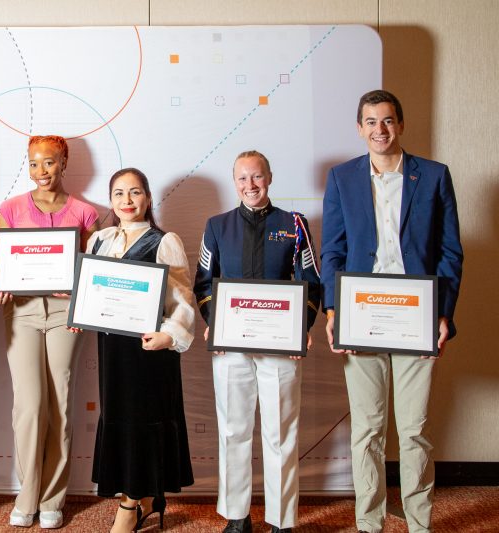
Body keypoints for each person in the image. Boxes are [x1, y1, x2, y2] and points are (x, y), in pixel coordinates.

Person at [321, 90, 463, 533]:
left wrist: (441, 313)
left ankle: (420, 524)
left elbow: (450, 252)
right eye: (370, 121)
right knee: (366, 429)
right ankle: (369, 523)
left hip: (416, 318)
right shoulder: (342, 177)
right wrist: (332, 312)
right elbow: (333, 251)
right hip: (361, 317)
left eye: (387, 121)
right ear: (360, 127)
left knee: (414, 430)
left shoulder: (434, 176)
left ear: (399, 124)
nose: (379, 129)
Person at [193, 151, 321, 533]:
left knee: (281, 431)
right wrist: (215, 323)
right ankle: (237, 516)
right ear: (235, 183)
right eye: (243, 179)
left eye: (257, 177)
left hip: (281, 347)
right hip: (230, 346)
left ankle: (282, 520)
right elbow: (204, 282)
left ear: (270, 177)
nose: (251, 185)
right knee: (233, 430)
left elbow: (310, 281)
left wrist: (303, 327)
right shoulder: (216, 226)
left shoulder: (294, 224)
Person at [0, 135, 99, 529]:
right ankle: (27, 495)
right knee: (30, 405)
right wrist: (1, 278)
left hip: (64, 313)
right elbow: (1, 263)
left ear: (64, 162)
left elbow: (92, 270)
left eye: (49, 162)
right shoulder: (8, 209)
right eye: (34, 163)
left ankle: (53, 498)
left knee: (60, 402)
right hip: (20, 311)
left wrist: (81, 300)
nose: (41, 171)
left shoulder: (86, 214)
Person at [88, 167, 195, 533]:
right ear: (111, 200)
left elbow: (182, 299)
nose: (127, 201)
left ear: (147, 198)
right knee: (119, 417)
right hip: (112, 351)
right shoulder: (99, 240)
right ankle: (146, 498)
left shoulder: (164, 241)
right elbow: (91, 293)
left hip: (149, 350)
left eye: (135, 193)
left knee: (142, 422)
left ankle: (131, 503)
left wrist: (171, 334)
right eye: (119, 193)